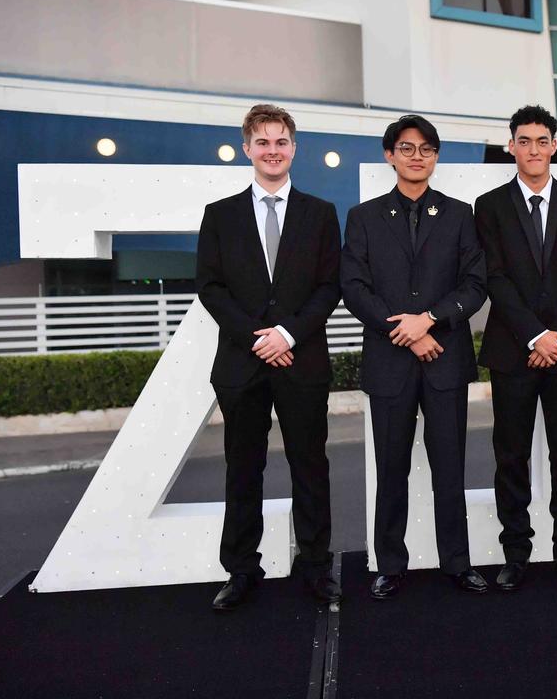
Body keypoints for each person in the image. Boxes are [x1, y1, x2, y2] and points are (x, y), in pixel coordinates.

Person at [196, 104, 342, 610]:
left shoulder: (321, 214)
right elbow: (210, 288)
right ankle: (240, 569)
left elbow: (329, 288)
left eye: (281, 142)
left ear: (293, 148)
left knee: (311, 467)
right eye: (263, 142)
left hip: (301, 361)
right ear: (247, 148)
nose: (272, 151)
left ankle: (318, 566)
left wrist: (287, 335)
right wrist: (260, 337)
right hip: (243, 364)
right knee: (242, 470)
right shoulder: (220, 215)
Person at [341, 114, 489, 599]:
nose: (417, 156)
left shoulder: (459, 214)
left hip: (444, 357)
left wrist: (429, 320)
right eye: (407, 148)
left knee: (451, 467)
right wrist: (405, 329)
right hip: (390, 363)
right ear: (390, 155)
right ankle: (391, 563)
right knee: (392, 468)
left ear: (436, 156)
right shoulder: (363, 217)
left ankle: (458, 563)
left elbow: (475, 284)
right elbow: (354, 288)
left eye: (426, 148)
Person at [474, 104, 557, 590]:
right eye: (523, 140)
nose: (532, 149)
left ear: (553, 145)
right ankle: (516, 552)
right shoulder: (488, 207)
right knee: (511, 455)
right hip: (513, 350)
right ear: (511, 146)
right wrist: (534, 334)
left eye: (541, 140)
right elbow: (495, 278)